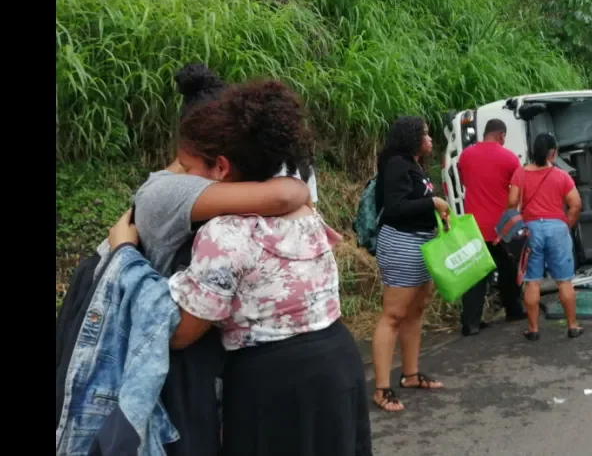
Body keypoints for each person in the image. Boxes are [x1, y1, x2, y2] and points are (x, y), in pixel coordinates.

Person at [108, 78, 372, 456]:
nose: (184, 179)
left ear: (221, 167)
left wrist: (127, 260)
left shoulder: (224, 234)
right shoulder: (304, 213)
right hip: (338, 363)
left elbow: (181, 332)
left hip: (274, 382)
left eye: (188, 168)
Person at [371, 116, 448, 412]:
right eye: (425, 133)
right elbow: (396, 207)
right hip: (402, 243)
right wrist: (433, 204)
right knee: (393, 315)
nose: (429, 138)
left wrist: (436, 212)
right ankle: (381, 388)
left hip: (422, 242)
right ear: (411, 137)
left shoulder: (414, 166)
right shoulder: (397, 165)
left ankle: (411, 374)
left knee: (415, 311)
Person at [507, 133, 583, 341]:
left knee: (532, 282)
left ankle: (533, 329)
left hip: (531, 230)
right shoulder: (562, 175)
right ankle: (573, 326)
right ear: (553, 152)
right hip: (557, 228)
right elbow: (576, 204)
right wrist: (565, 225)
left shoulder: (520, 174)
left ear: (532, 152)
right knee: (564, 281)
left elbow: (512, 201)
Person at [456, 118, 526, 336]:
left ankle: (471, 323)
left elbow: (464, 182)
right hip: (500, 227)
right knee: (508, 269)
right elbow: (517, 194)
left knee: (475, 274)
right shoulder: (509, 158)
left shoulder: (465, 156)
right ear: (501, 135)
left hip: (473, 226)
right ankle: (514, 311)